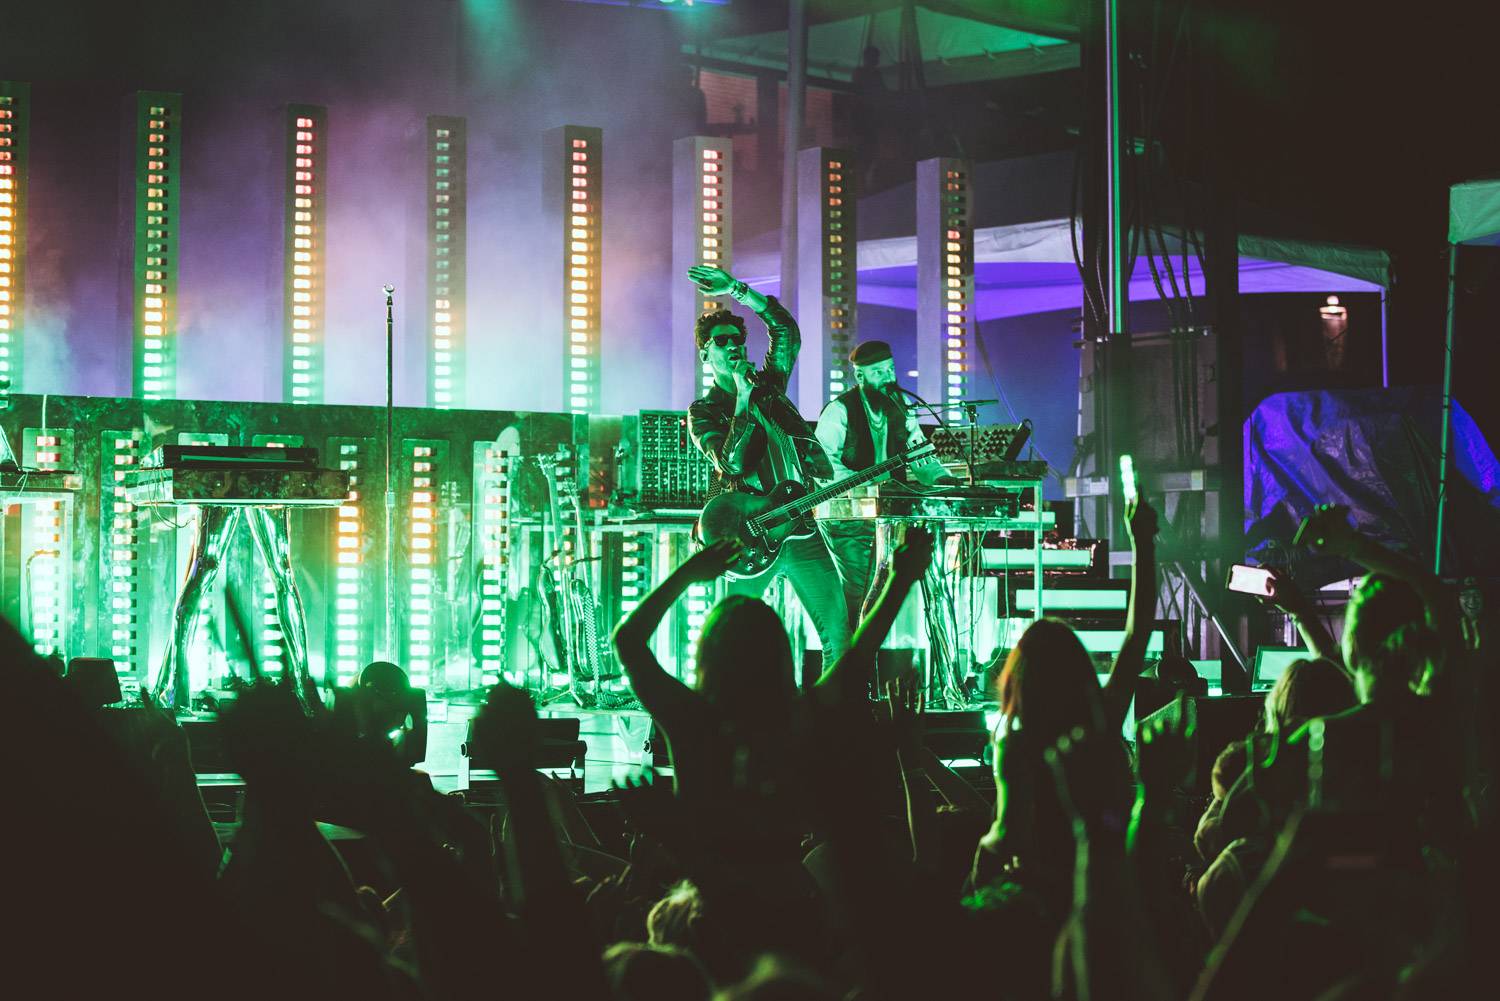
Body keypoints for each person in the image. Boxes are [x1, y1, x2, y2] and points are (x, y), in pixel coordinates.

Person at [684, 264, 850, 672]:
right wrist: (741, 401)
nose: (733, 345)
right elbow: (732, 463)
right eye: (722, 342)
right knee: (727, 647)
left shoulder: (769, 388)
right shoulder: (703, 411)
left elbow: (787, 334)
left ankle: (836, 725)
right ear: (706, 353)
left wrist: (739, 290)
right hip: (748, 538)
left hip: (801, 528)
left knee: (839, 637)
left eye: (738, 339)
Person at [814, 339, 951, 625]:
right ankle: (850, 658)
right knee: (859, 594)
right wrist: (864, 487)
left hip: (887, 518)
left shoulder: (900, 408)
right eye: (879, 373)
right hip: (847, 518)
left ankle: (870, 661)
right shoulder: (839, 411)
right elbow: (822, 466)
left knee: (882, 596)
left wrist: (943, 480)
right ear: (860, 376)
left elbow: (920, 455)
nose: (888, 378)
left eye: (890, 370)